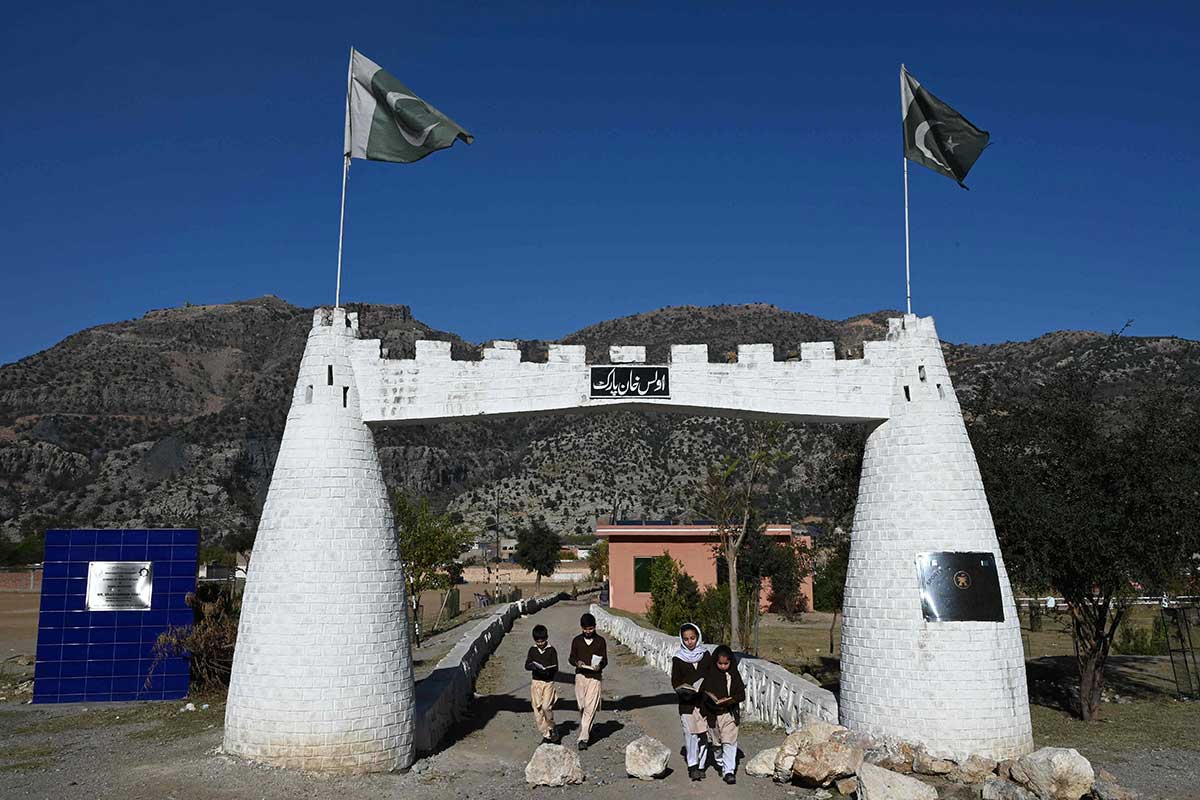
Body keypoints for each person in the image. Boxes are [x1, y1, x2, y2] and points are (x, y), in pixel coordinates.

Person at [670, 622, 711, 781]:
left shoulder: (706, 655)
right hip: (686, 703)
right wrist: (685, 690)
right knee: (690, 734)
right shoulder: (678, 658)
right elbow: (675, 681)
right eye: (686, 639)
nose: (690, 642)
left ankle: (701, 765)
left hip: (704, 703)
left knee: (703, 734)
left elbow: (711, 676)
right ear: (682, 640)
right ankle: (692, 766)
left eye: (693, 638)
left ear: (698, 637)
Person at [701, 644, 746, 784]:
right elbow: (705, 695)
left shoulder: (734, 675)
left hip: (730, 714)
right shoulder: (710, 676)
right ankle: (720, 762)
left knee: (729, 742)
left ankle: (729, 771)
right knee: (716, 744)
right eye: (720, 663)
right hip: (713, 716)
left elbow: (741, 694)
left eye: (726, 663)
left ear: (731, 662)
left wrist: (730, 700)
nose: (723, 666)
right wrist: (713, 702)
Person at [568, 612, 607, 750]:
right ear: (581, 628)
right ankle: (587, 728)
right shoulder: (577, 641)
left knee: (590, 707)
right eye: (585, 629)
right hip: (580, 676)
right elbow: (571, 658)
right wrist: (577, 662)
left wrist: (599, 666)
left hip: (595, 678)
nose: (588, 631)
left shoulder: (600, 641)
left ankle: (583, 738)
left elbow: (605, 660)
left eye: (591, 629)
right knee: (582, 706)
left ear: (595, 627)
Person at [525, 623, 559, 743]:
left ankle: (552, 726)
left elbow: (555, 667)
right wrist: (534, 667)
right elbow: (527, 665)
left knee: (546, 707)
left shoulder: (551, 650)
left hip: (548, 683)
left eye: (542, 641)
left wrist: (547, 671)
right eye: (538, 641)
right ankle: (546, 734)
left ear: (546, 638)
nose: (540, 643)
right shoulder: (532, 650)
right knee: (538, 710)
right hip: (536, 683)